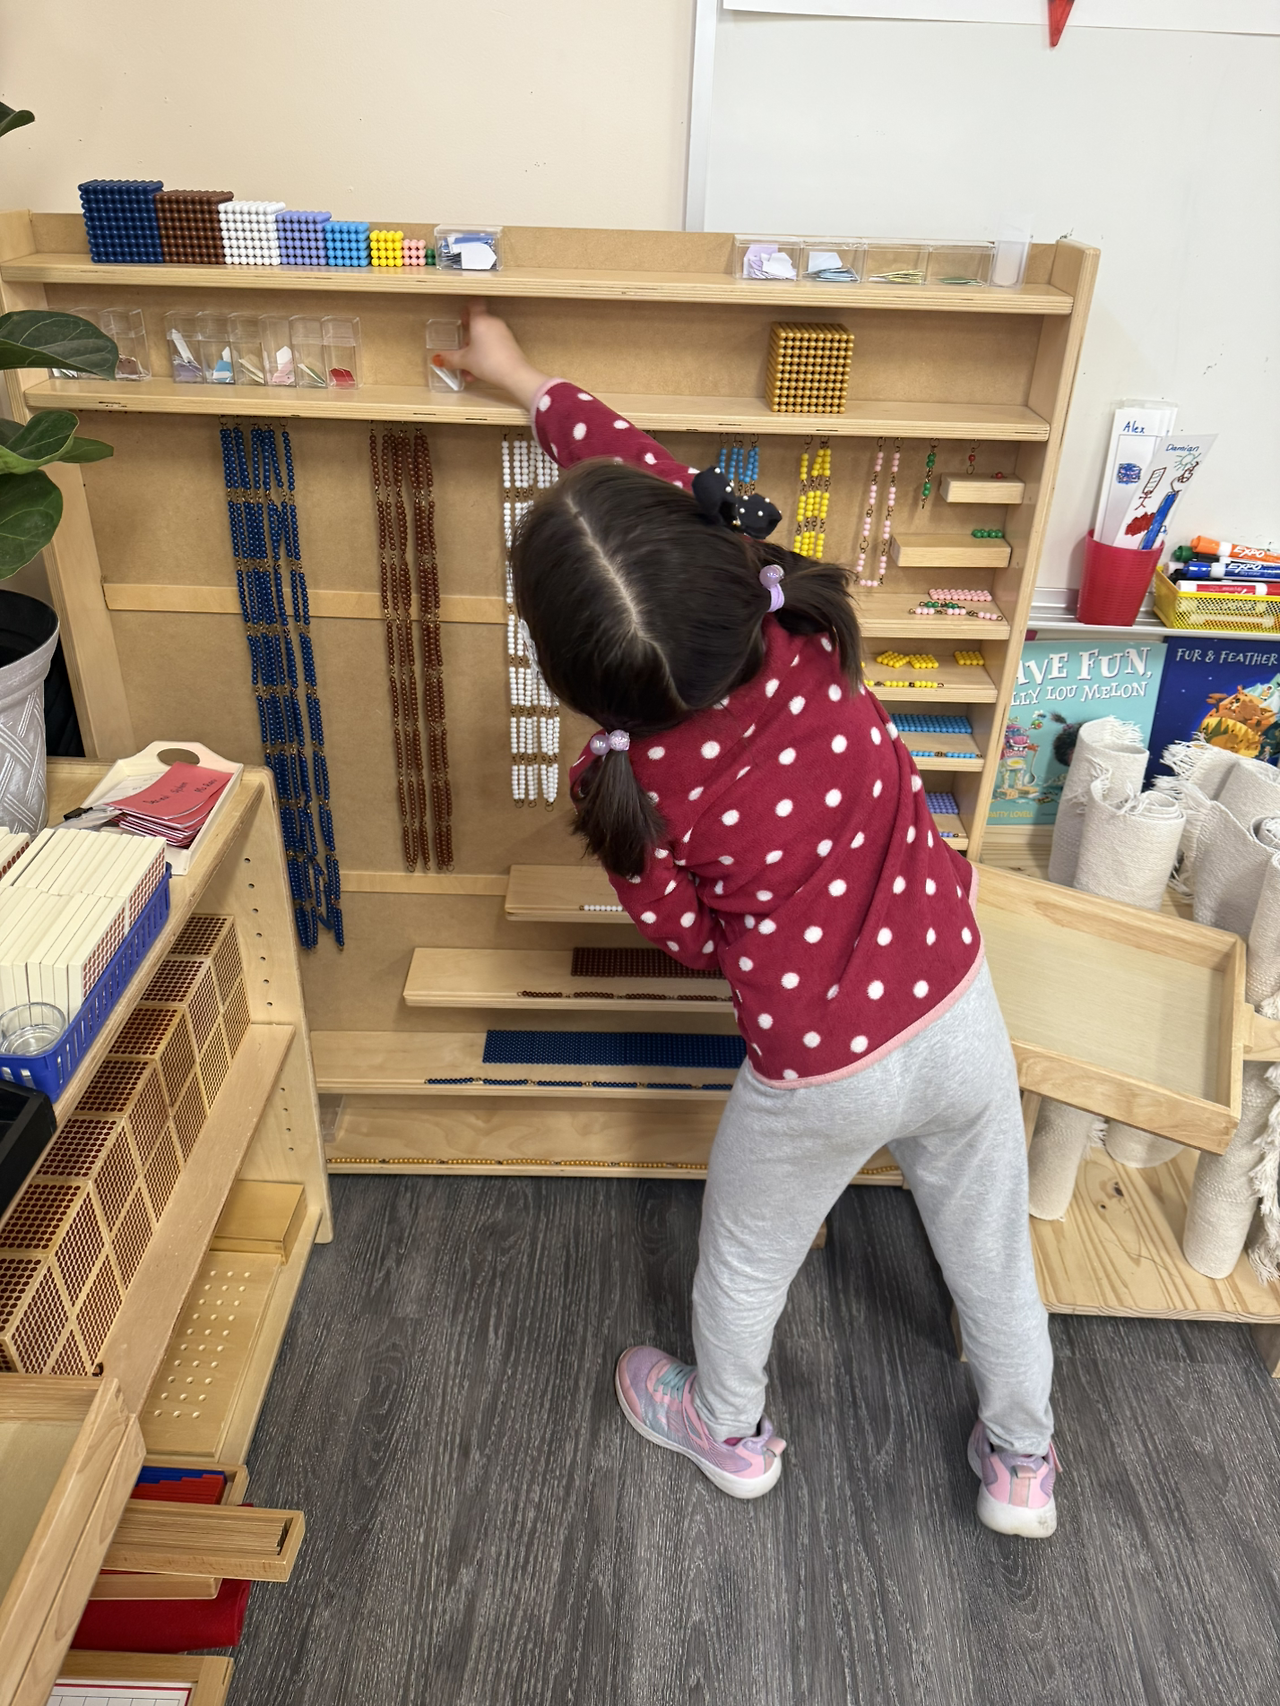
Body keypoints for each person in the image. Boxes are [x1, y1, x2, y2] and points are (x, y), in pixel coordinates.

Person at [437, 307, 1059, 1539]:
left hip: (813, 1069)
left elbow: (686, 935)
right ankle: (1022, 1459)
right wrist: (527, 380)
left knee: (743, 1256)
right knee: (990, 1250)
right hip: (956, 1005)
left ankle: (727, 1430)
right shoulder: (791, 624)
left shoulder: (625, 777)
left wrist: (765, 941)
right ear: (716, 560)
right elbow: (655, 478)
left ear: (573, 677)